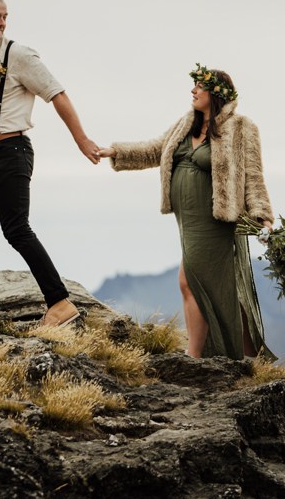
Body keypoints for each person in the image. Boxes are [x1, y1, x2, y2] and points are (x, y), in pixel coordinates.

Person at [97, 65, 275, 359]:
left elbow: (253, 175)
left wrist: (262, 214)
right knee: (214, 287)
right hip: (187, 219)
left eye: (199, 87)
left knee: (190, 280)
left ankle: (195, 356)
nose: (193, 91)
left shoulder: (242, 127)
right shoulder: (186, 124)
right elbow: (155, 149)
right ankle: (242, 355)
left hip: (214, 220)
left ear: (216, 93)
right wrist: (115, 152)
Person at [0, 0, 101, 327]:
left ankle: (60, 303)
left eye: (5, 16)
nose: (1, 22)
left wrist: (81, 139)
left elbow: (55, 93)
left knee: (16, 228)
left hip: (12, 150)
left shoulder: (18, 54)